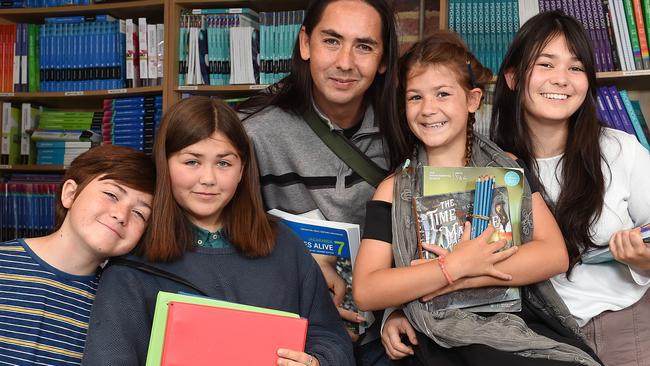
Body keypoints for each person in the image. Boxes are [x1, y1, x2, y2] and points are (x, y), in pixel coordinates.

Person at [353, 30, 602, 365]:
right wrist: (451, 266)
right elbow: (367, 289)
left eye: (442, 94)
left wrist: (469, 271)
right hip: (438, 333)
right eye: (415, 97)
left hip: (513, 321)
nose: (428, 109)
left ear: (472, 101)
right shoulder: (393, 188)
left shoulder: (509, 169)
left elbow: (554, 255)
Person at [81, 96, 354, 366]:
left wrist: (315, 361)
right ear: (165, 164)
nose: (208, 179)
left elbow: (332, 339)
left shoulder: (283, 245)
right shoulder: (133, 262)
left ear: (242, 169)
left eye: (224, 163)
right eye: (191, 162)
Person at [239, 0, 403, 363]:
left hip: (387, 328)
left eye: (364, 46)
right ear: (305, 44)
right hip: (289, 322)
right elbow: (220, 238)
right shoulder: (252, 132)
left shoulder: (406, 128)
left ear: (384, 59)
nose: (345, 62)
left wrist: (398, 310)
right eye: (331, 41)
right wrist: (306, 288)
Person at [490, 10, 650, 366]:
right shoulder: (489, 164)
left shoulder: (620, 149)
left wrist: (644, 260)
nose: (561, 79)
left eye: (576, 68)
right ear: (514, 77)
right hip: (528, 334)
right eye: (546, 64)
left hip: (623, 321)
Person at [0, 145, 154, 365]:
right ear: (70, 193)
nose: (121, 215)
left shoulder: (121, 303)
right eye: (111, 195)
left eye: (140, 213)